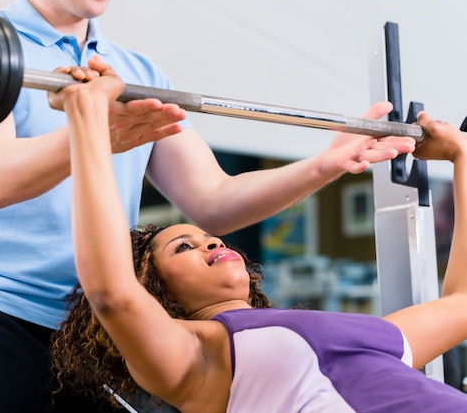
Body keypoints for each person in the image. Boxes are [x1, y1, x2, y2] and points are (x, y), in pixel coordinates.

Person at [0, 0, 415, 412]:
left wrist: (324, 164)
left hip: (105, 331)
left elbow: (214, 200)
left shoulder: (137, 73)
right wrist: (96, 131)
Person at [49, 57, 467, 413]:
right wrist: (89, 124)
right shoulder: (196, 358)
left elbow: (461, 302)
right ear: (153, 289)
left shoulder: (371, 334)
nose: (212, 242)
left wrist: (461, 156)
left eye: (208, 237)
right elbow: (112, 293)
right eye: (183, 247)